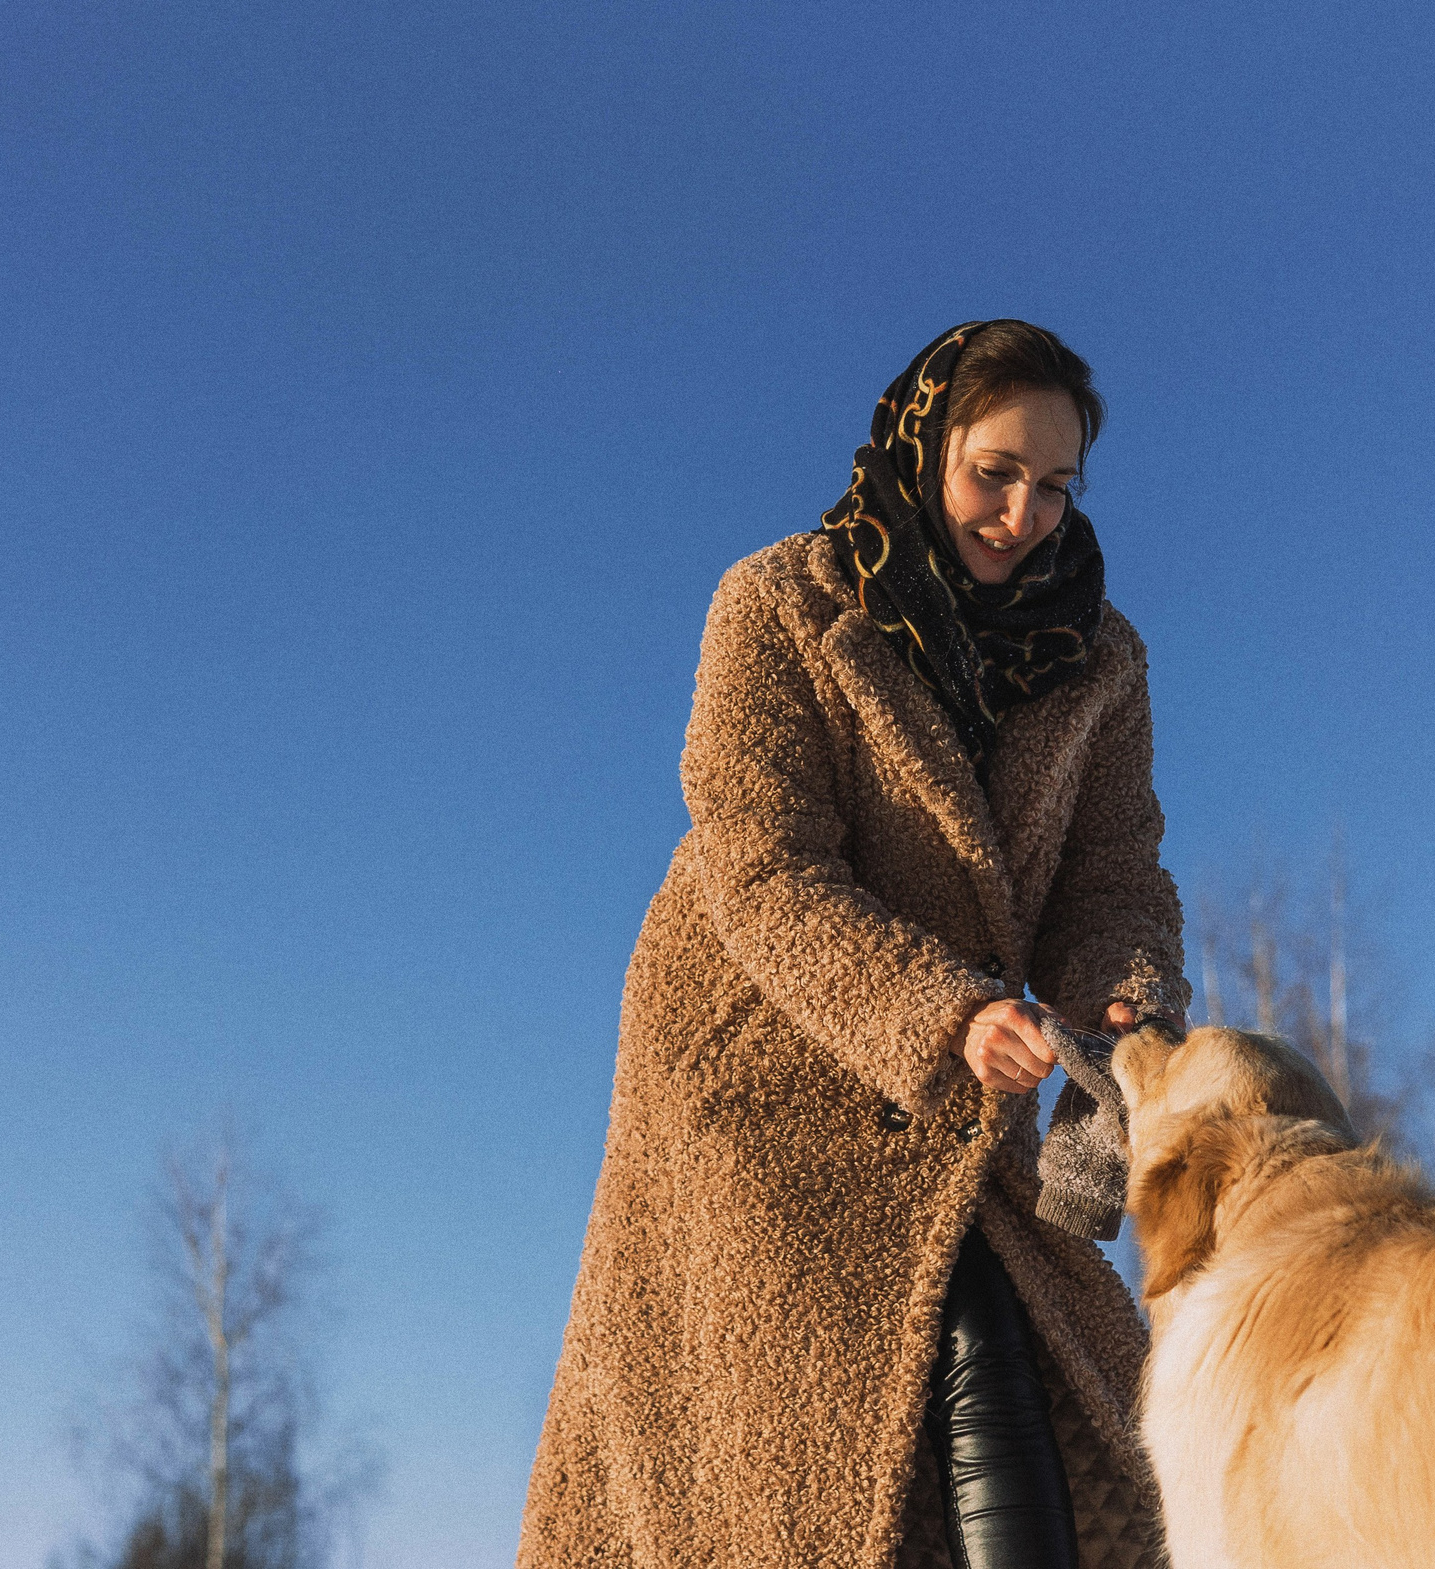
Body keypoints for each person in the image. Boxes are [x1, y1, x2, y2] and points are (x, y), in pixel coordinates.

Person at [519, 321, 1188, 1569]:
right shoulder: (780, 602)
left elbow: (1110, 877)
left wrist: (1126, 1019)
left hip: (969, 1095)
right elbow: (759, 860)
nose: (1022, 512)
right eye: (995, 470)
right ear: (924, 440)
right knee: (803, 1471)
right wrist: (936, 1015)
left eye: (1053, 486)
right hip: (764, 1078)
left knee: (1068, 1415)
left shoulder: (1097, 659)